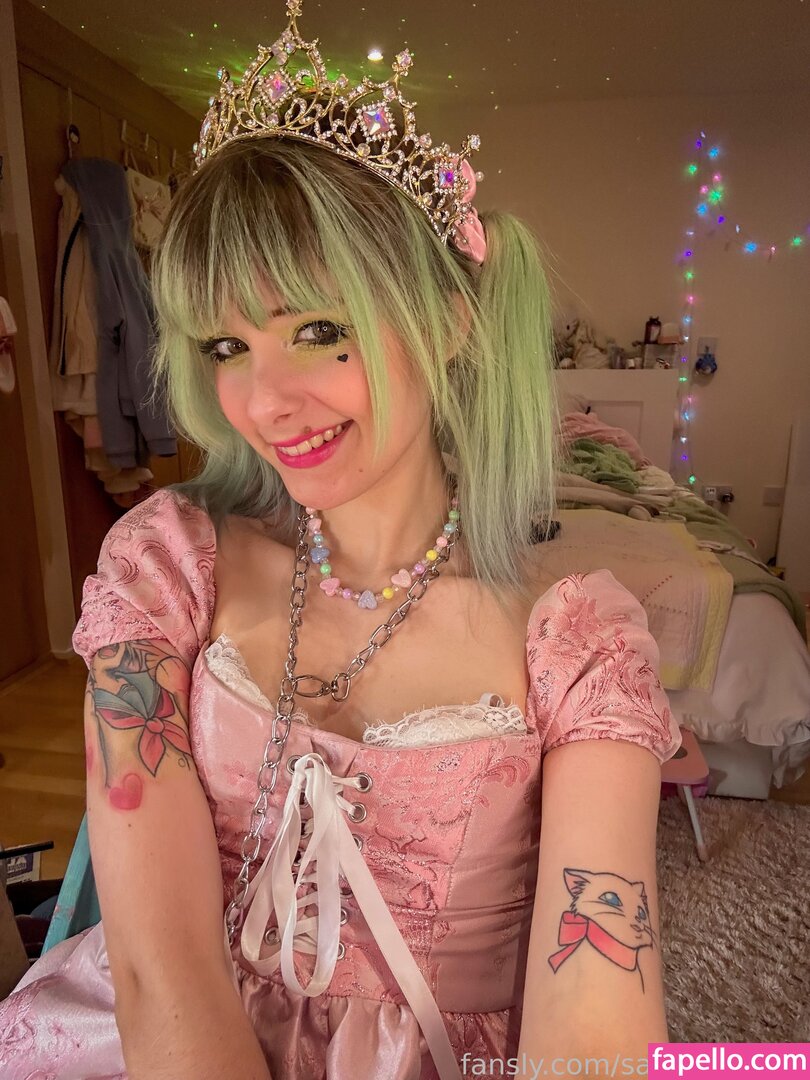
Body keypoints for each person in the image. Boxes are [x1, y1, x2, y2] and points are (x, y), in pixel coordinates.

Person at [0, 2, 681, 1077]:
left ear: (449, 321)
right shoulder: (168, 566)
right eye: (227, 344)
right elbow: (161, 970)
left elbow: (599, 1016)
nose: (264, 402)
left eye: (320, 330)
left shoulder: (578, 645)